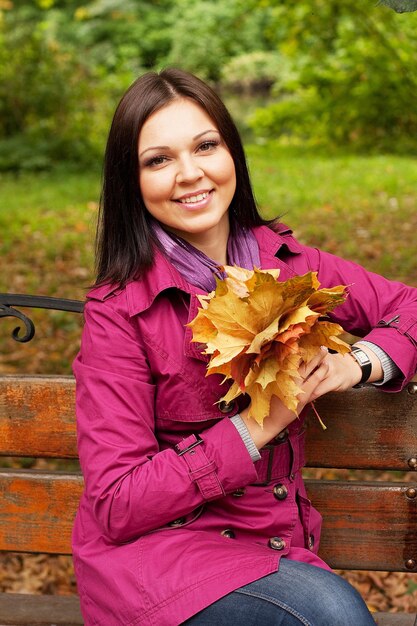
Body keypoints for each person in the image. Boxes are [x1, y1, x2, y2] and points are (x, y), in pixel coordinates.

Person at [72, 67, 417, 626]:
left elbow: (410, 305)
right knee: (331, 614)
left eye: (206, 146)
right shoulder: (121, 311)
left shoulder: (290, 266)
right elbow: (117, 503)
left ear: (231, 153)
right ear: (130, 180)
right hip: (162, 561)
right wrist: (260, 423)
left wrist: (357, 363)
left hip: (273, 552)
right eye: (158, 160)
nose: (190, 174)